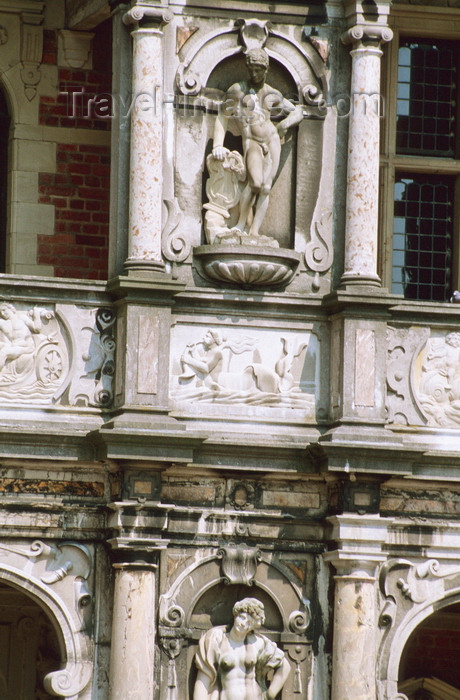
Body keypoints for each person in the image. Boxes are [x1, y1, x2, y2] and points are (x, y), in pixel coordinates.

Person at [211, 48, 303, 238]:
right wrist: (217, 145)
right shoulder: (238, 90)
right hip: (252, 142)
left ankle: (254, 233)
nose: (255, 73)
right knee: (255, 183)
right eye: (251, 69)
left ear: (266, 70)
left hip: (272, 140)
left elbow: (298, 112)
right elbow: (222, 116)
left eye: (259, 69)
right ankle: (240, 224)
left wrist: (284, 124)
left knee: (266, 188)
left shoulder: (272, 94)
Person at [193, 597, 291, 700]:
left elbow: (285, 666)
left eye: (249, 623)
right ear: (236, 615)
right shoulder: (217, 640)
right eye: (242, 617)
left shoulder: (257, 643)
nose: (244, 624)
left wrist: (269, 695)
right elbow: (203, 680)